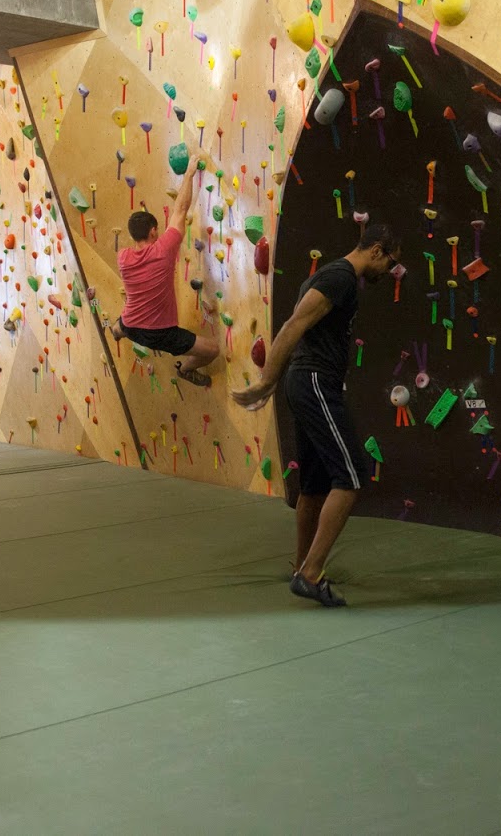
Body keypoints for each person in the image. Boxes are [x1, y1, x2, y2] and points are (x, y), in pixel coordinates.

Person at [232, 223, 401, 607]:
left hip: (307, 382)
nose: (389, 270)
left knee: (313, 486)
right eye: (390, 261)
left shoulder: (330, 275)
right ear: (377, 249)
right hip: (315, 383)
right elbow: (294, 325)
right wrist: (265, 381)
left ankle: (301, 565)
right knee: (352, 477)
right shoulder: (341, 277)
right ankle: (311, 574)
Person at [116, 162, 218, 387]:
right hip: (158, 332)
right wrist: (190, 172)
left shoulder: (123, 257)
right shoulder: (163, 250)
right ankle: (186, 370)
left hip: (130, 324)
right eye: (157, 230)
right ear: (153, 231)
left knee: (124, 322)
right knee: (212, 350)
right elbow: (180, 210)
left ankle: (117, 330)